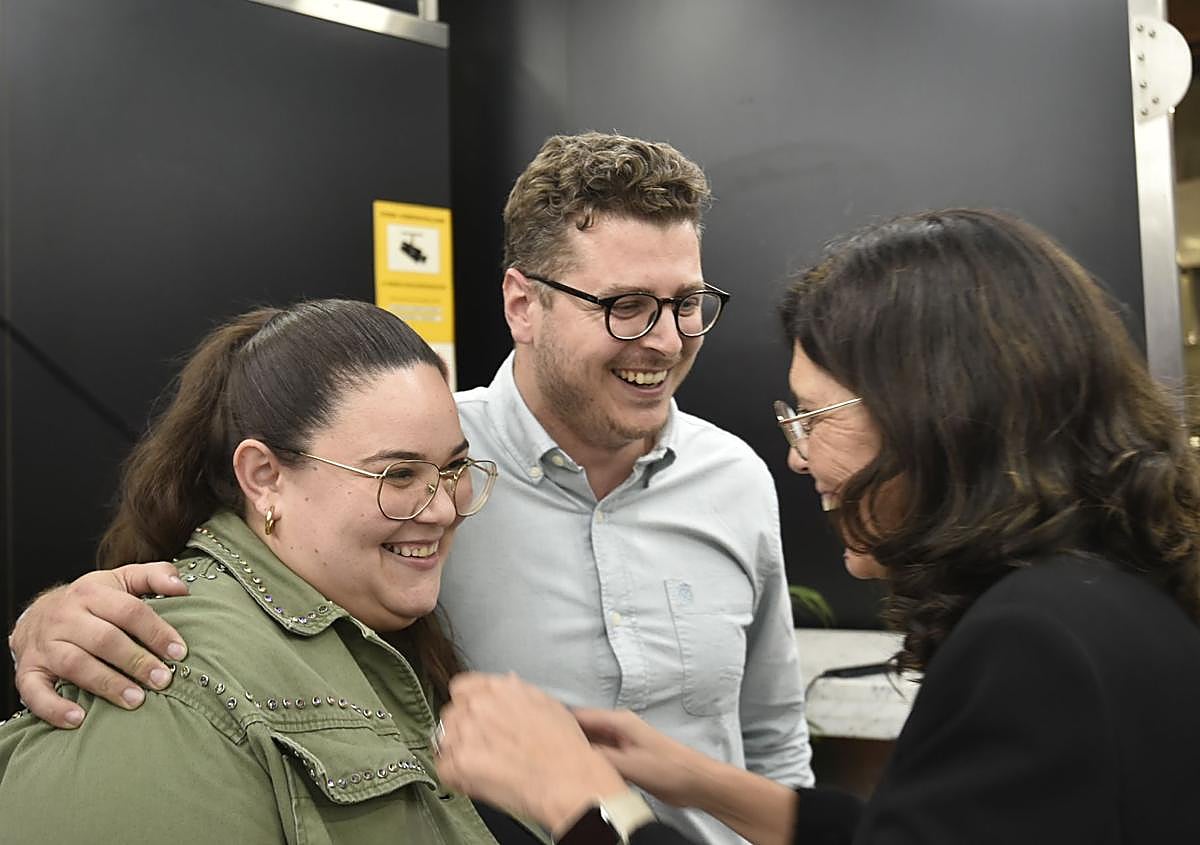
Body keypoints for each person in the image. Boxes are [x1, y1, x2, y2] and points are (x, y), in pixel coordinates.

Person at [7, 133, 813, 843]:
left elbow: (773, 742)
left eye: (686, 304)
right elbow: (240, 571)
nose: (667, 340)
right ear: (522, 303)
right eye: (627, 307)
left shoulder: (736, 478)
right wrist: (60, 617)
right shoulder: (407, 455)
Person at [430, 209, 1200, 844]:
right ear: (522, 303)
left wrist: (589, 804)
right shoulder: (1107, 595)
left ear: (932, 416)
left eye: (815, 416)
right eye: (625, 304)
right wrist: (703, 782)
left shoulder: (1036, 643)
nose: (799, 457)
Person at [0, 300, 509, 844]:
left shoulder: (386, 635)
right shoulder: (160, 684)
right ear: (264, 476)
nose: (441, 508)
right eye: (399, 474)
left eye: (453, 468)